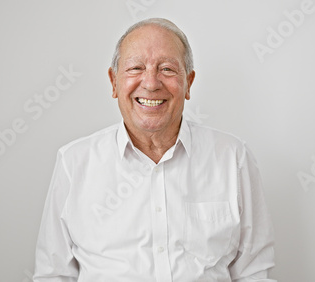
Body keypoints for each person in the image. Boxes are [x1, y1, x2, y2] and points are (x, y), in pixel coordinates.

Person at [33, 18, 276, 281]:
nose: (150, 83)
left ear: (189, 83)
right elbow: (53, 274)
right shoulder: (74, 162)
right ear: (114, 82)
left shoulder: (233, 158)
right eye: (136, 68)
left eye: (167, 69)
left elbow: (254, 271)